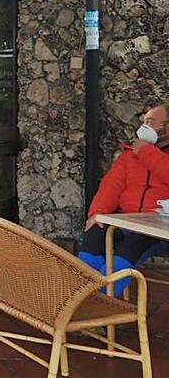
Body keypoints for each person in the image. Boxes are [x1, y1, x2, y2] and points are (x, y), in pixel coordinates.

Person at [78, 103, 169, 295]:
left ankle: (98, 306)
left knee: (126, 252)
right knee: (94, 237)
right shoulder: (128, 156)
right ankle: (82, 300)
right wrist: (97, 213)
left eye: (151, 122)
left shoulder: (143, 152)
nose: (145, 126)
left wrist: (146, 152)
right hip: (125, 220)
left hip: (157, 228)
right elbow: (111, 186)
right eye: (144, 121)